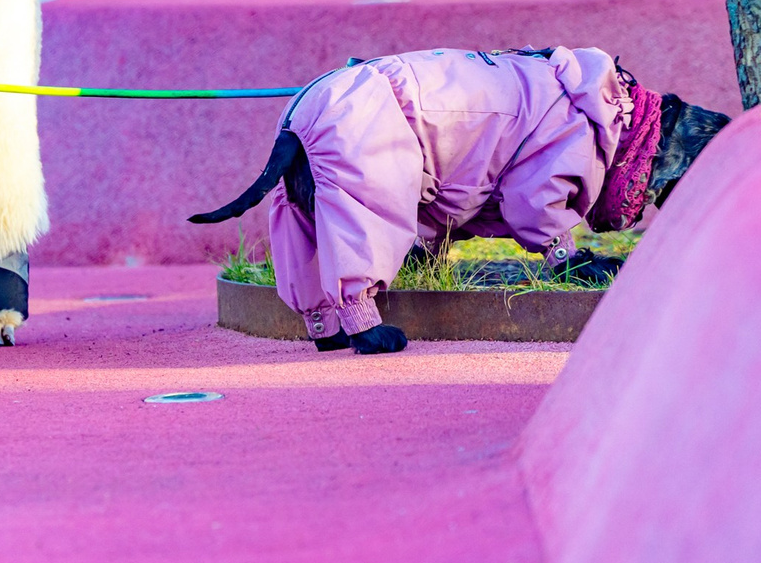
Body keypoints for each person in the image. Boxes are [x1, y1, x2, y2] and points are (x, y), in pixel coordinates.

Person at [189, 48, 731, 352]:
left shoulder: (567, 96)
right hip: (366, 112)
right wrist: (567, 253)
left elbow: (475, 184)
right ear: (655, 151)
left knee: (312, 212)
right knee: (366, 201)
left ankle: (322, 324)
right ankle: (357, 321)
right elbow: (530, 198)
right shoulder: (574, 123)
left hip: (333, 98)